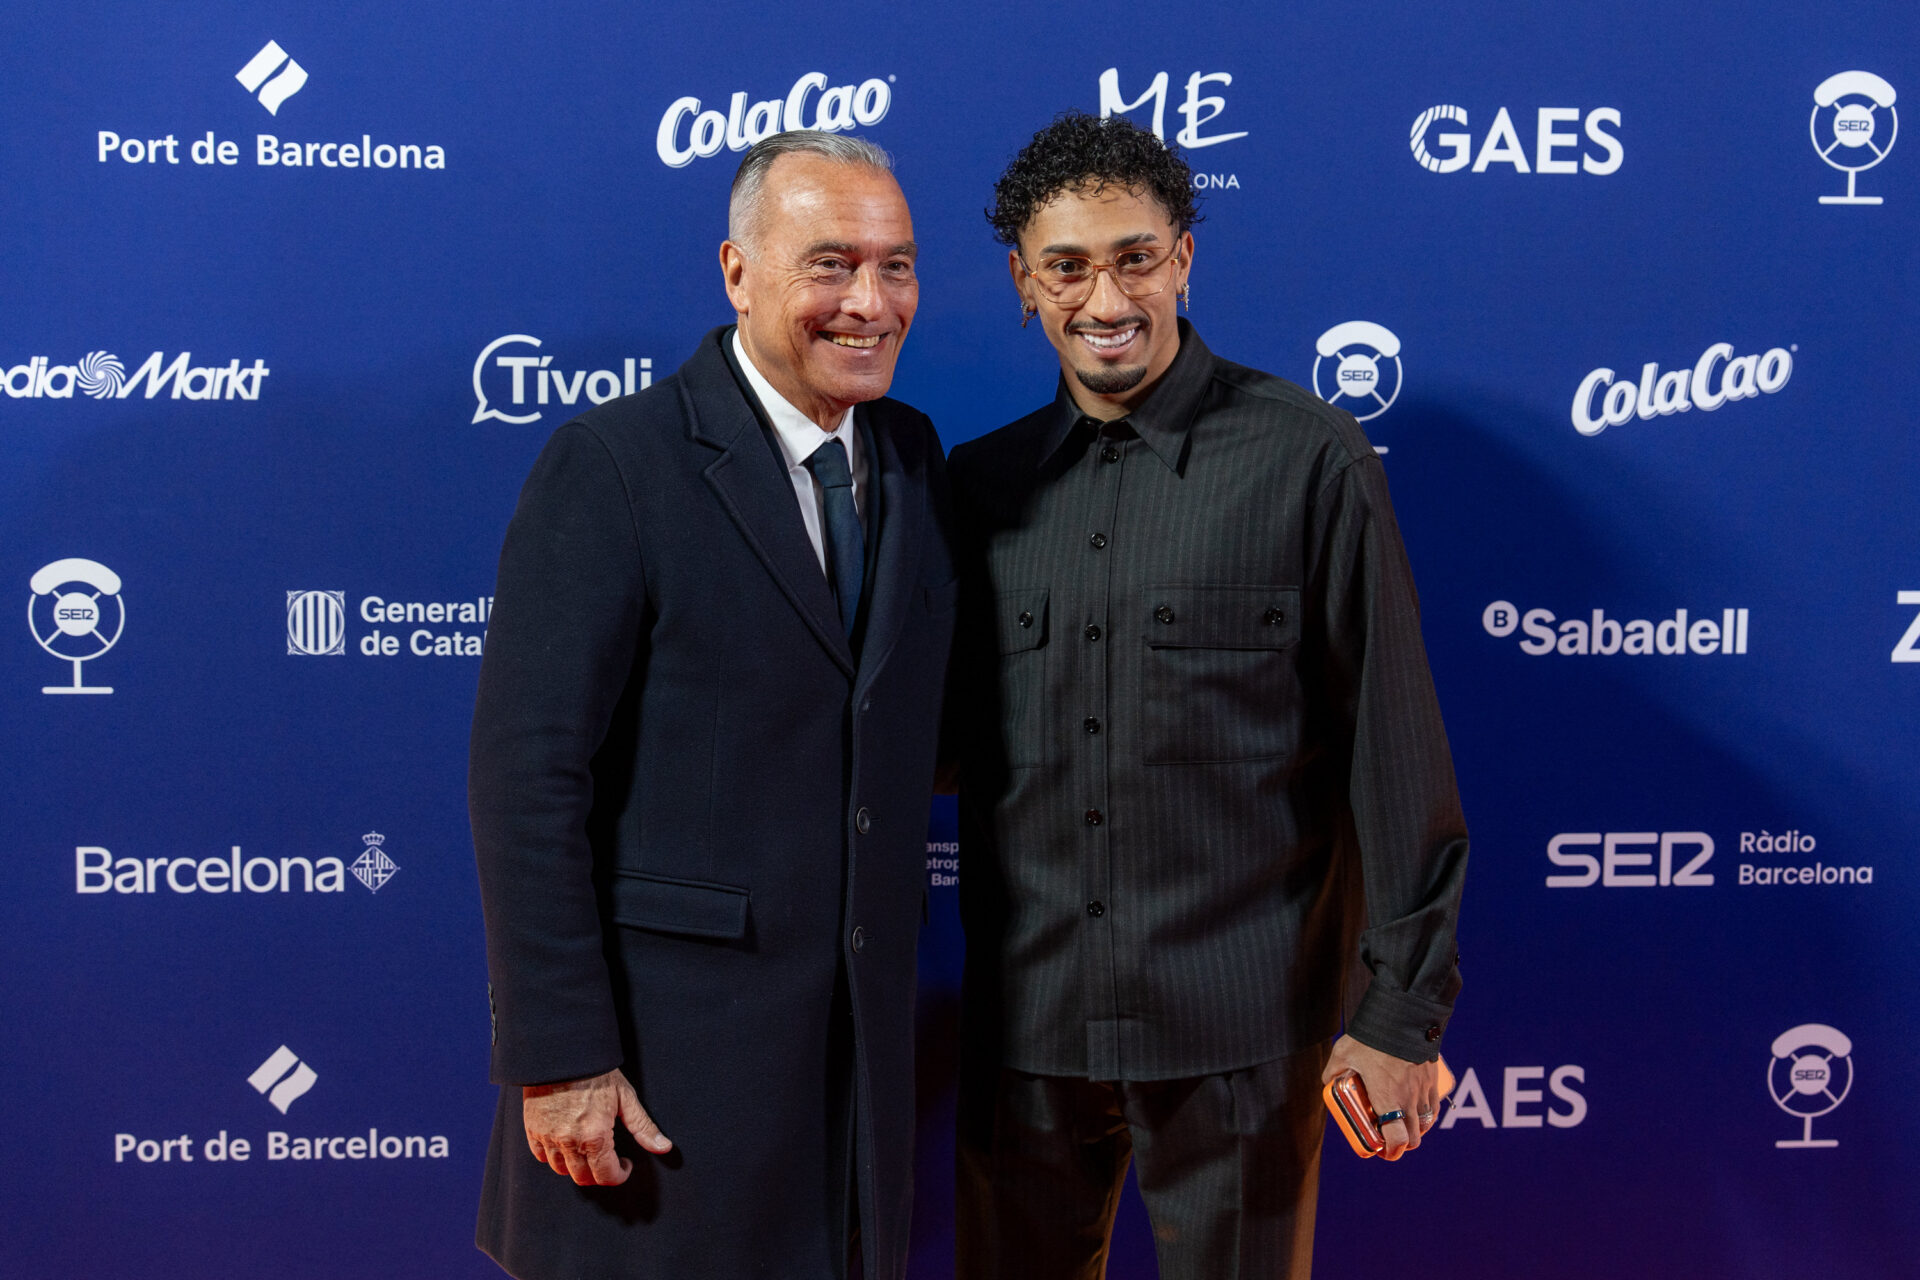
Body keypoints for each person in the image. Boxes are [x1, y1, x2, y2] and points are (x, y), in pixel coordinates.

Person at [947, 112, 1469, 1280]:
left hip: (1243, 1033)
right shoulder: (977, 489)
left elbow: (1395, 754)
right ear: (1024, 282)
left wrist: (1401, 1011)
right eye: (1068, 266)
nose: (1106, 298)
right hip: (1027, 1034)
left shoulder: (1310, 460)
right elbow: (923, 745)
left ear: (1183, 257)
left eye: (1135, 257)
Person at [469, 130, 956, 1280]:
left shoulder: (909, 452)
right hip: (661, 1072)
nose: (871, 302)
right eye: (831, 264)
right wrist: (560, 1054)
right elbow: (527, 774)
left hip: (854, 1082)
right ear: (738, 271)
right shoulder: (615, 462)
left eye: (895, 266)